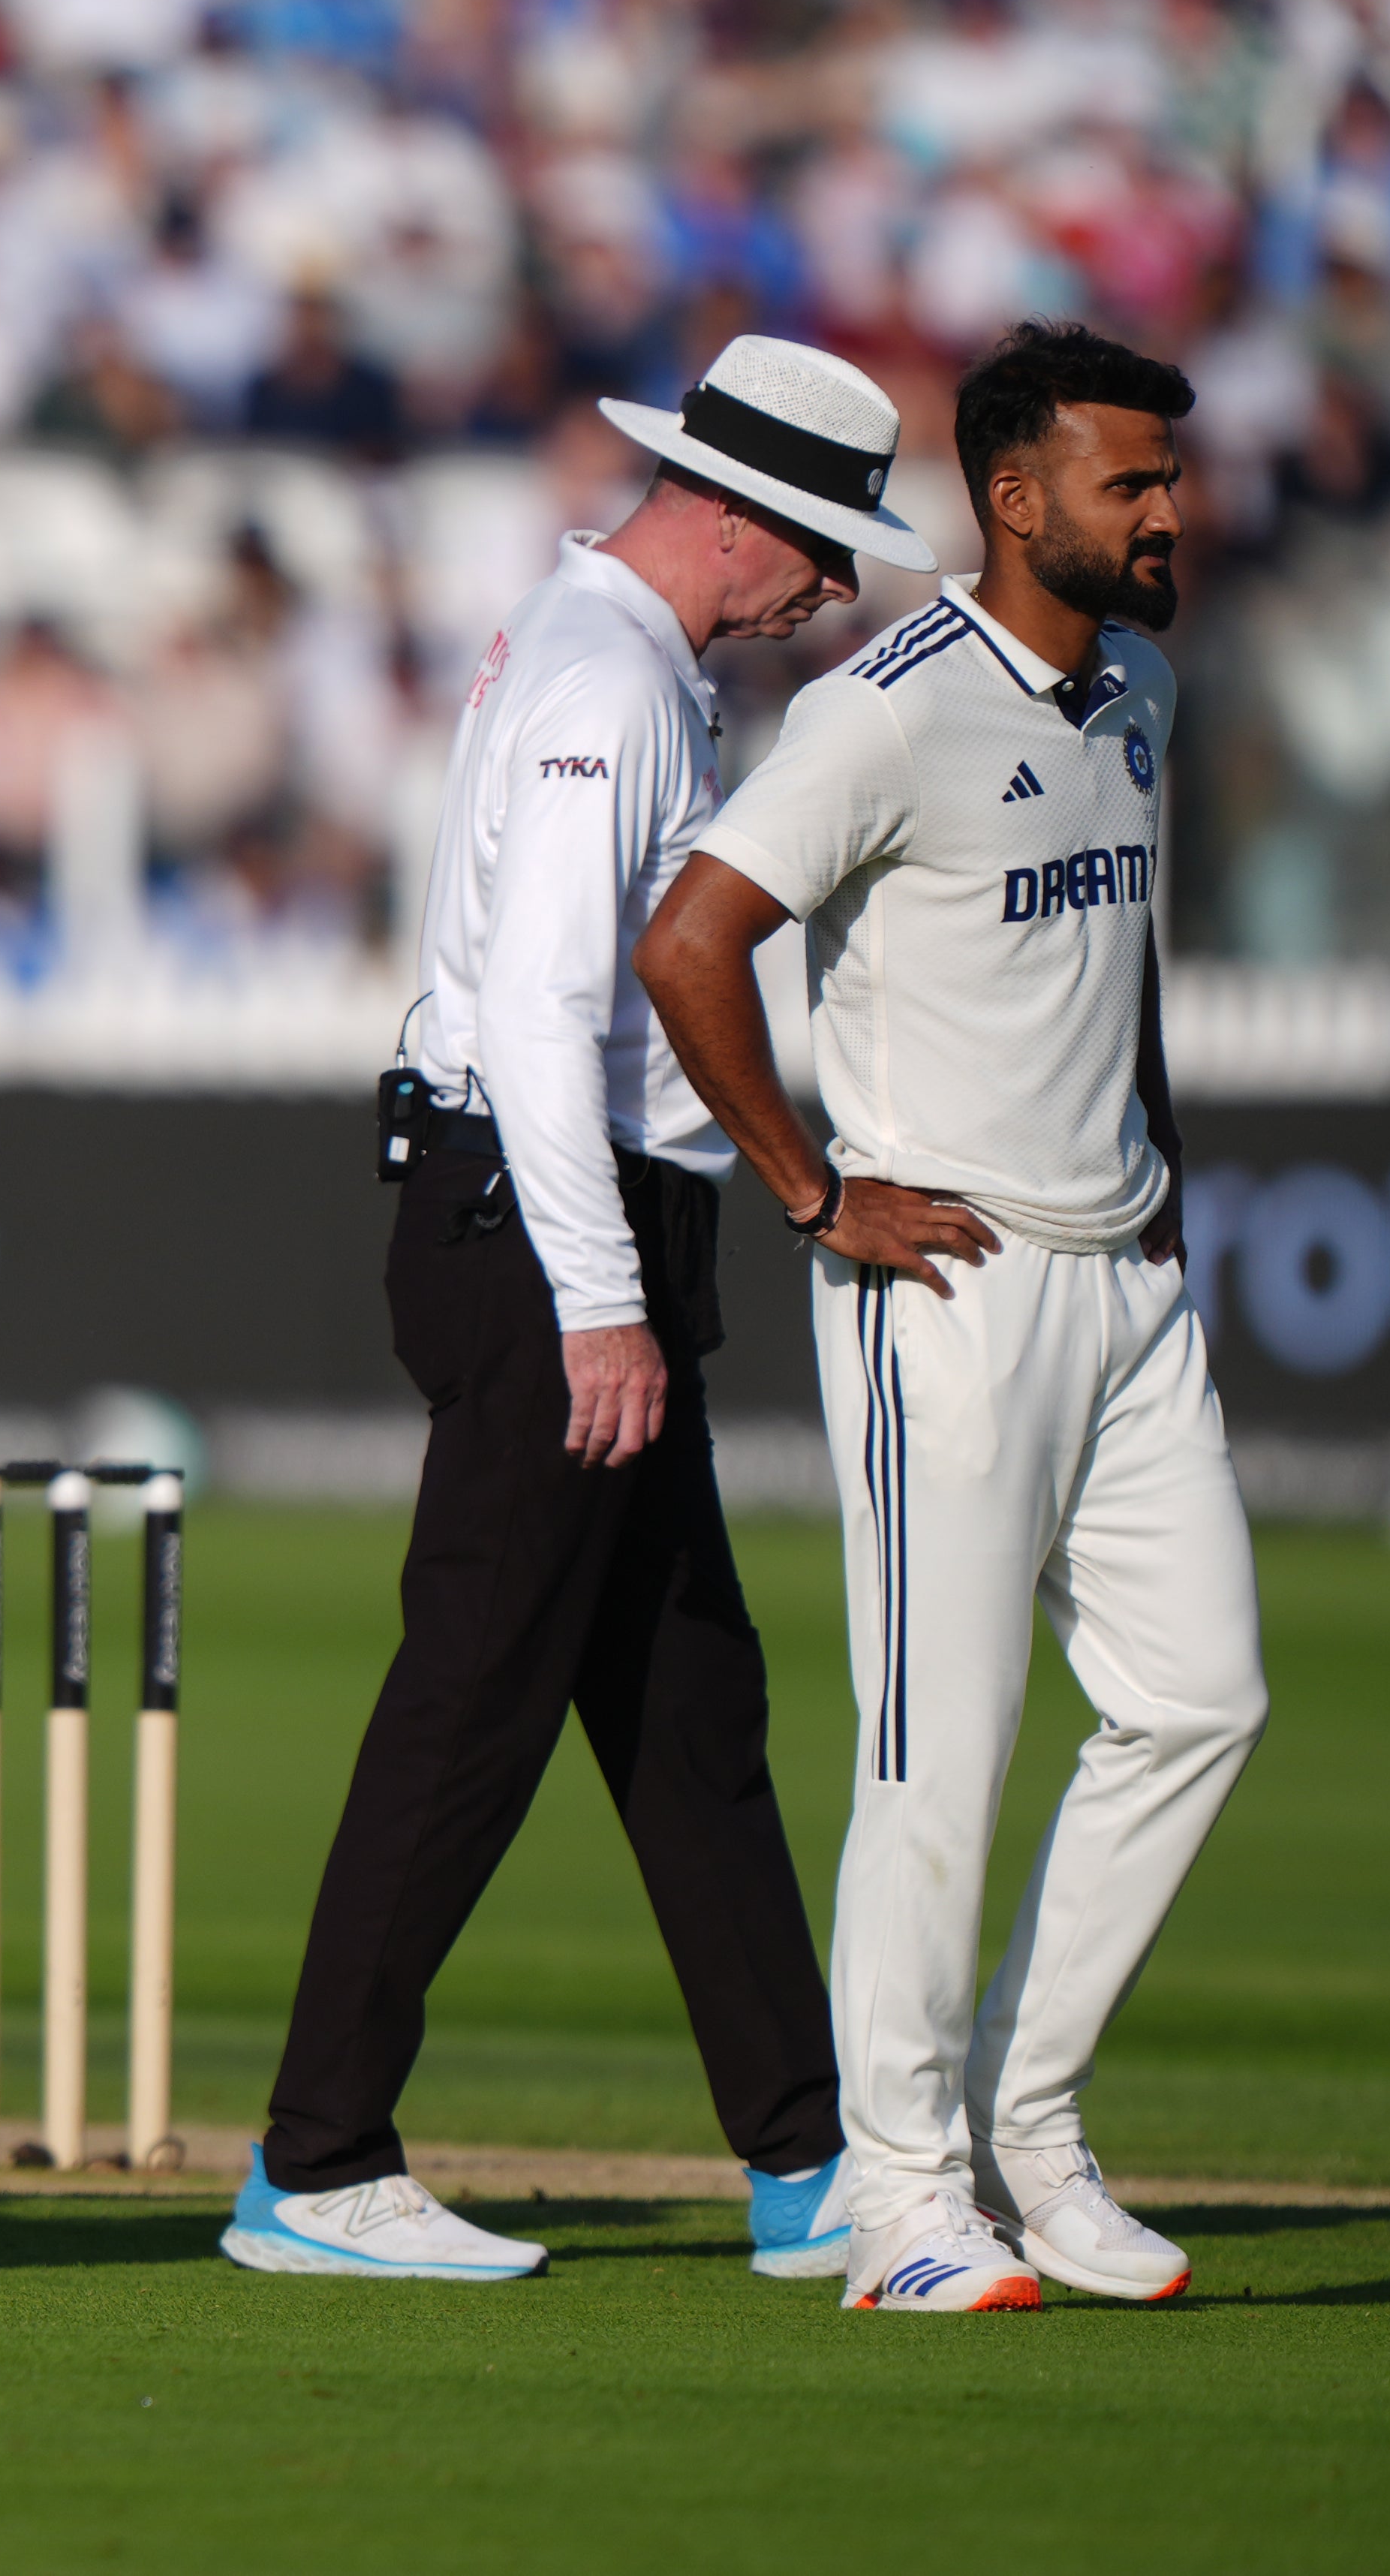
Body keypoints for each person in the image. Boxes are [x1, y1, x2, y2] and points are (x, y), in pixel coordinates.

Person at [221, 337, 936, 2285]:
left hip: (581, 1223)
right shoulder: (607, 672)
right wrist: (598, 1303)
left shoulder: (613, 650)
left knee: (689, 1699)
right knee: (474, 1690)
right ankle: (315, 2155)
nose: (837, 591)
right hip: (551, 1230)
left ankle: (806, 2158)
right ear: (739, 519)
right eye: (824, 546)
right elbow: (542, 1007)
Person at [636, 320, 1261, 2316]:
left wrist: (1157, 1192)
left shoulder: (1139, 691)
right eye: (1129, 482)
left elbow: (1121, 973)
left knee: (1198, 1698)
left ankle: (1036, 2131)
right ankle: (902, 2197)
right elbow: (692, 939)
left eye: (1169, 478)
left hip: (1130, 1279)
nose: (1166, 513)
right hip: (952, 1287)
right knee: (942, 1746)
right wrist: (817, 1190)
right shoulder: (886, 708)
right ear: (1015, 496)